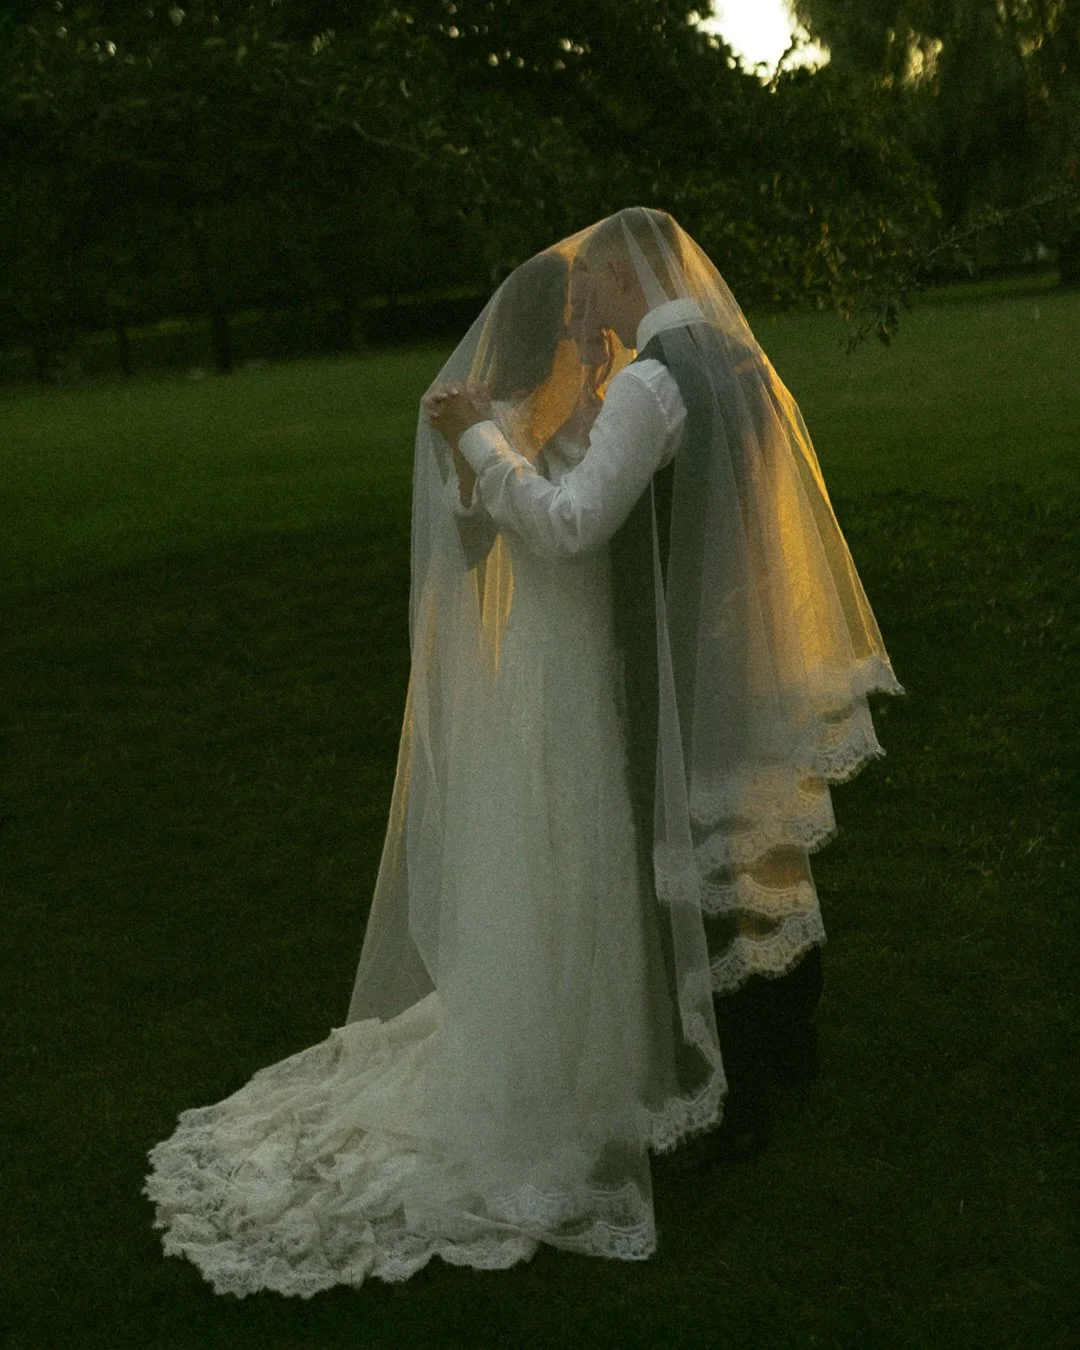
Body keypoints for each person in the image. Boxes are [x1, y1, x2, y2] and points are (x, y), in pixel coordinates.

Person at [145, 208, 901, 1297]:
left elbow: (569, 525)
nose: (577, 300)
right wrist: (491, 449)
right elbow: (526, 527)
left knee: (686, 850)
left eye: (588, 283)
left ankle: (724, 1066)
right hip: (703, 640)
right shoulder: (729, 355)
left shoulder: (651, 379)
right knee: (724, 839)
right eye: (572, 294)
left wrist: (479, 443)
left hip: (645, 656)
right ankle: (765, 1045)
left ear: (621, 276)